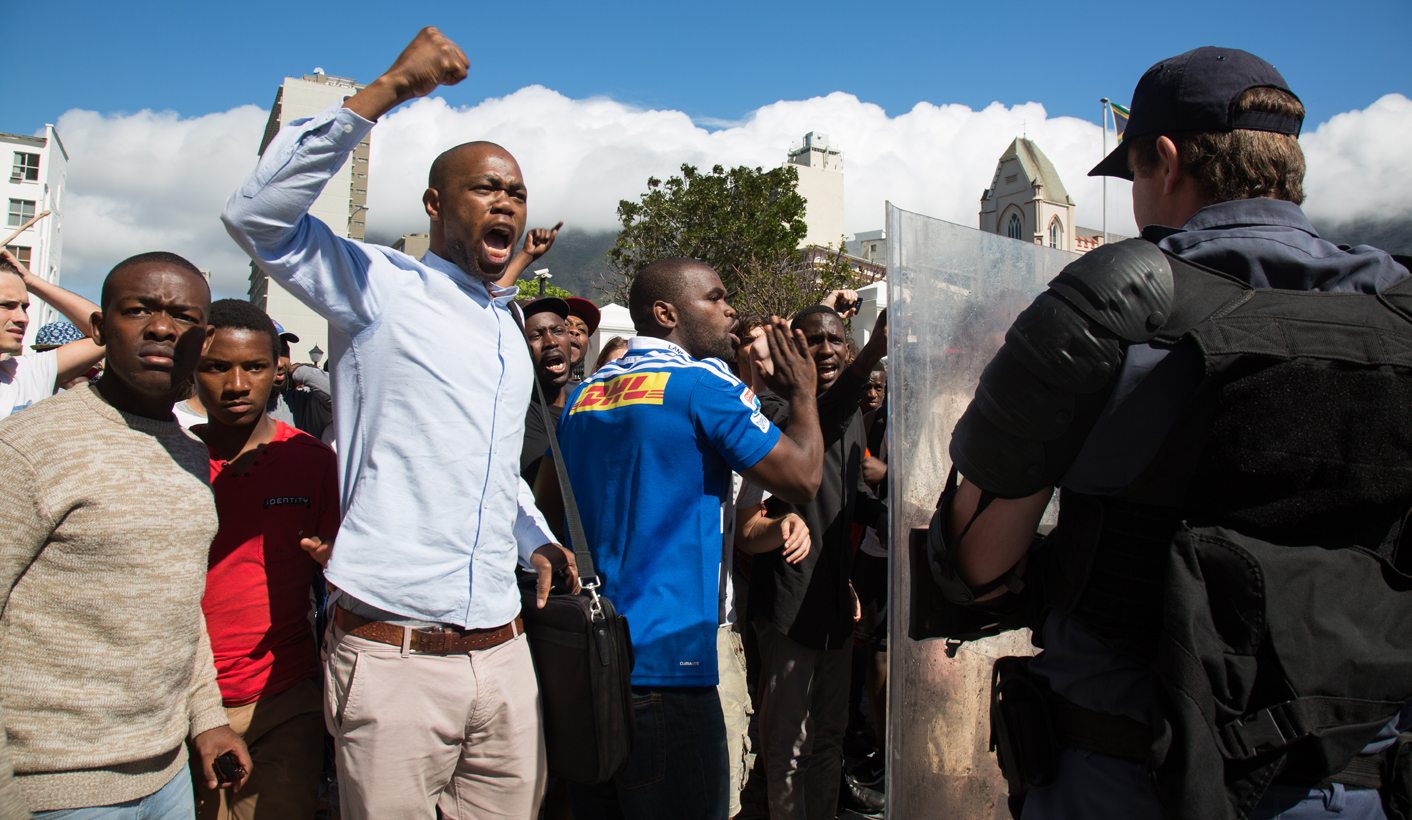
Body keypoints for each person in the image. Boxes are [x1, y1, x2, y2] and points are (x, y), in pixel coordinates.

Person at [931, 47, 1412, 819]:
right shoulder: (1397, 309)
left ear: (1165, 158)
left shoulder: (1114, 306)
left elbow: (979, 561)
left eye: (1133, 177)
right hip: (1361, 778)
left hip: (1129, 772)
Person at [222, 27, 576, 819]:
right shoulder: (378, 284)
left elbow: (486, 464)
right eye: (486, 188)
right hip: (395, 658)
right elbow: (258, 217)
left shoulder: (503, 327)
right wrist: (391, 88)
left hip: (505, 654)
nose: (507, 204)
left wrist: (533, 538)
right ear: (434, 204)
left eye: (515, 193)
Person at [551, 257, 825, 820]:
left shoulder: (584, 397)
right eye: (716, 298)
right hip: (673, 664)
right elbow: (803, 475)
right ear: (665, 313)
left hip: (591, 662)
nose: (730, 310)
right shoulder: (703, 385)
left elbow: (553, 510)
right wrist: (803, 395)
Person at [0, 251, 251, 818]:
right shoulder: (28, 448)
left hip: (167, 780)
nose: (162, 327)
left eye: (183, 316)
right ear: (99, 327)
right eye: (140, 309)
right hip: (53, 789)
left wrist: (207, 719)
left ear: (204, 340)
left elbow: (179, 604)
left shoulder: (189, 454)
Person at [189, 299, 339, 820]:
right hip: (178, 701)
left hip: (283, 698)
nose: (236, 384)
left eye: (253, 367)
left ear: (277, 370)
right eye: (216, 366)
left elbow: (342, 571)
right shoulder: (165, 459)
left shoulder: (313, 462)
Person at [745, 305, 888, 820]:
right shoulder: (775, 411)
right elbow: (820, 424)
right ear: (793, 354)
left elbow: (842, 496)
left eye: (835, 340)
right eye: (811, 342)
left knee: (829, 738)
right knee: (787, 746)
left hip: (832, 600)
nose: (824, 350)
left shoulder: (849, 418)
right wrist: (874, 352)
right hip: (787, 601)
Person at [0, 247, 106, 415]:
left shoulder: (25, 374)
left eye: (24, 307)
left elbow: (108, 331)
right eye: (7, 305)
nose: (23, 318)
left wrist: (31, 281)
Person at [518, 296, 574, 483]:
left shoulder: (586, 401)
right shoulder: (516, 414)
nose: (551, 341)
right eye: (535, 335)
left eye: (558, 330)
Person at [266, 321, 333, 442]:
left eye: (284, 352)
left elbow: (341, 395)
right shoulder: (234, 409)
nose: (280, 363)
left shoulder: (300, 405)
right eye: (270, 354)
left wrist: (299, 371)